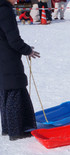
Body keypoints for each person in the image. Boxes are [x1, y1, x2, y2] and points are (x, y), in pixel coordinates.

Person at [0, 0, 40, 141]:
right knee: (14, 89)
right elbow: (13, 39)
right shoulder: (4, 10)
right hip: (7, 56)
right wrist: (27, 50)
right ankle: (16, 130)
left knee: (6, 90)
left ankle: (7, 127)